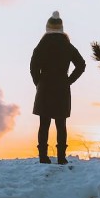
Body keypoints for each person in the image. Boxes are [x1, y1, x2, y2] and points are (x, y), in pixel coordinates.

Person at [30, 11, 86, 164]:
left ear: (47, 28)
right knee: (61, 124)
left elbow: (33, 67)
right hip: (62, 87)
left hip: (45, 87)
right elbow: (81, 65)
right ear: (61, 29)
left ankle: (43, 157)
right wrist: (68, 81)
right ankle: (61, 157)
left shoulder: (41, 46)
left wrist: (38, 83)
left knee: (44, 124)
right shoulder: (68, 46)